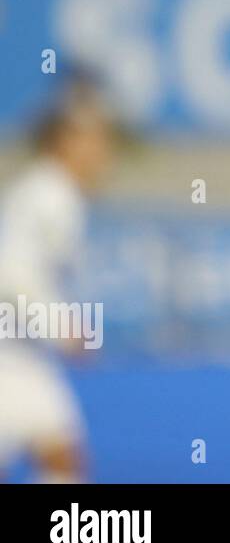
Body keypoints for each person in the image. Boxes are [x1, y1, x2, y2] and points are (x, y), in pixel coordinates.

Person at [0, 82, 115, 483]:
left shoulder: (43, 189)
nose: (102, 152)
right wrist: (61, 329)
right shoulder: (54, 196)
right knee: (63, 457)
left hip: (21, 352)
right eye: (94, 140)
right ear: (66, 141)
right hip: (11, 355)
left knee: (60, 454)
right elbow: (11, 270)